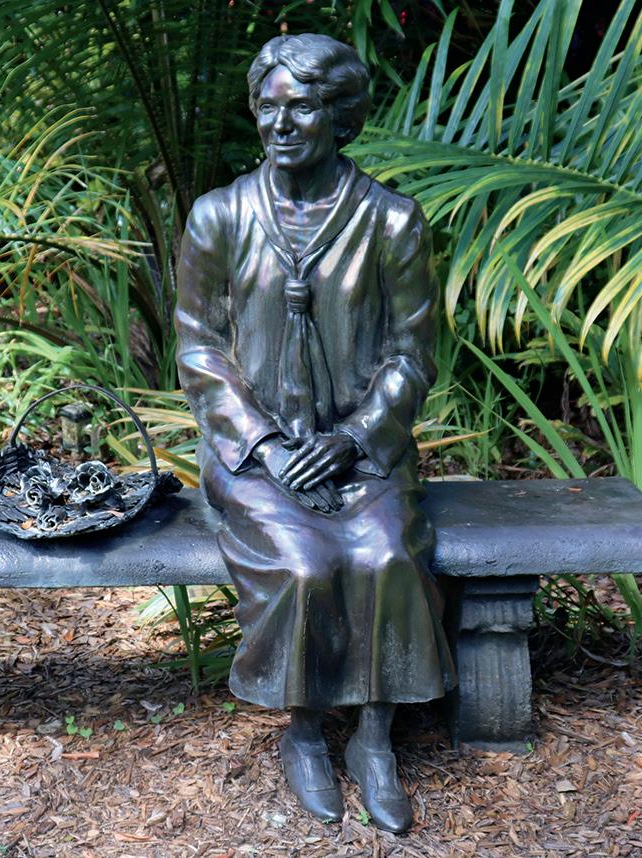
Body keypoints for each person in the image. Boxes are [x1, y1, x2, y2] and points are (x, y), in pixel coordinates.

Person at [175, 32, 455, 833]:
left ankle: (374, 739)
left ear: (340, 116)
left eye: (301, 107)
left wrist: (358, 437)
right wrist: (264, 444)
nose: (281, 123)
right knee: (302, 565)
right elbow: (198, 347)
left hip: (362, 451)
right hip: (255, 454)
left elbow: (412, 352)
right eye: (269, 106)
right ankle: (302, 735)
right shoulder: (220, 216)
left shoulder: (391, 221)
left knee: (387, 554)